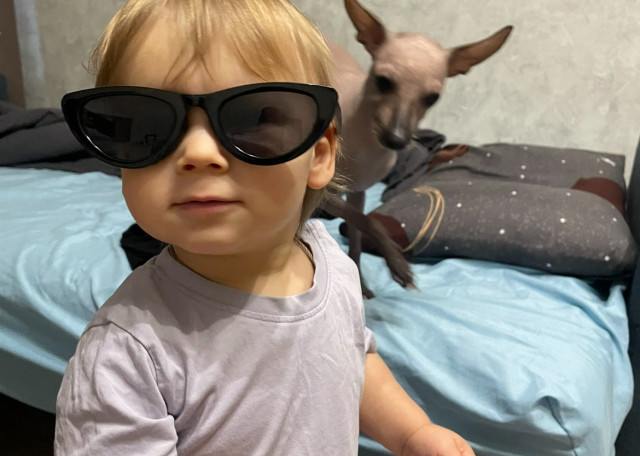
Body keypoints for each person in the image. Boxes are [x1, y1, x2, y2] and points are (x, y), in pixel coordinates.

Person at [54, 1, 475, 455]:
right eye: (147, 126)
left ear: (319, 157)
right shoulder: (126, 356)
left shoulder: (331, 262)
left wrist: (411, 433)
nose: (198, 153)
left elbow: (353, 356)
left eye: (253, 120)